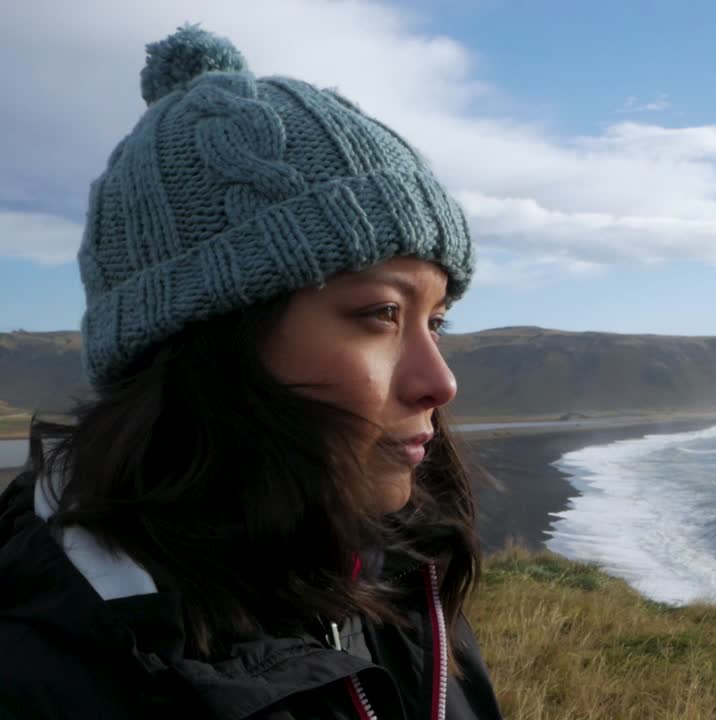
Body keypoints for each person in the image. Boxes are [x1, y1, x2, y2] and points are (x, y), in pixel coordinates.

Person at [0, 25, 503, 719]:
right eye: (382, 313)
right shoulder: (45, 677)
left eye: (435, 320)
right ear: (205, 340)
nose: (440, 382)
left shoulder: (406, 586)